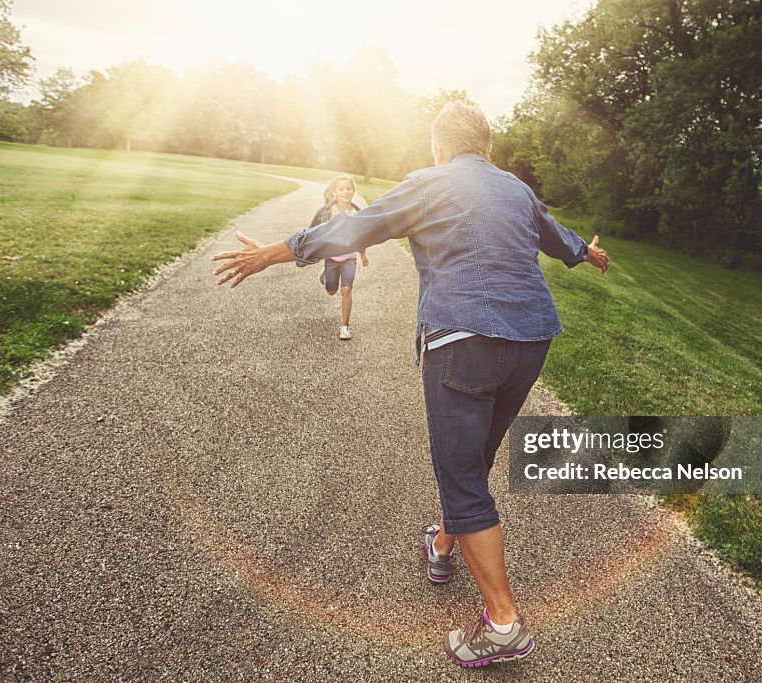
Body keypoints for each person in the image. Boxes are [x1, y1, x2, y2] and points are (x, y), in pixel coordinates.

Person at [211, 102, 609, 667]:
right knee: (473, 461)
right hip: (531, 341)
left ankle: (503, 622)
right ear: (487, 147)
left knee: (462, 475)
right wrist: (587, 253)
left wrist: (275, 253)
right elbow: (558, 236)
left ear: (439, 146)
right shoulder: (516, 189)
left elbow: (352, 227)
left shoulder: (429, 182)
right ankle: (443, 543)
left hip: (463, 342)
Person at [310, 175, 370, 340]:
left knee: (346, 289)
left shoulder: (357, 213)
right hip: (331, 258)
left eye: (348, 188)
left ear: (353, 190)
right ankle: (326, 275)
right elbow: (316, 231)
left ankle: (344, 327)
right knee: (331, 290)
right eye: (341, 189)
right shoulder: (329, 211)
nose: (345, 192)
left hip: (350, 258)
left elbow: (361, 236)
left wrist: (363, 254)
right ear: (335, 192)